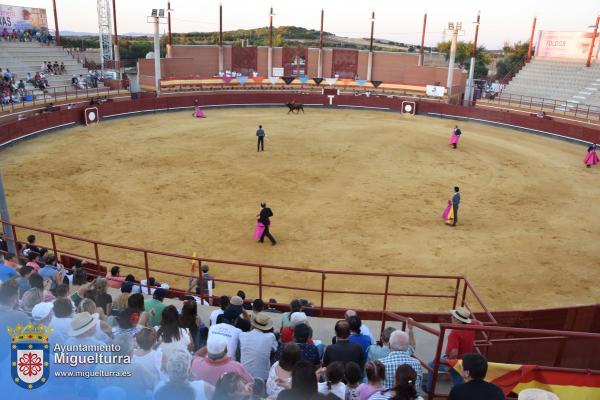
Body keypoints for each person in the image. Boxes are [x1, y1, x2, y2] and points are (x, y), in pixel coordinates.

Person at [424, 307, 477, 392]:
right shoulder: (472, 326)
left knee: (431, 365)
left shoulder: (454, 333)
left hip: (455, 361)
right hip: (466, 360)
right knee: (457, 377)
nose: (451, 317)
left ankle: (429, 389)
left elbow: (454, 352)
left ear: (459, 320)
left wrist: (450, 364)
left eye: (453, 316)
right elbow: (478, 323)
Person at [190, 334, 254, 386]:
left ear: (208, 348)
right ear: (226, 349)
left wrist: (211, 345)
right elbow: (251, 383)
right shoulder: (237, 367)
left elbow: (196, 355)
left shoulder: (195, 363)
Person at [239, 312, 278, 380]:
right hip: (263, 377)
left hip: (244, 376)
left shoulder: (242, 335)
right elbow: (274, 349)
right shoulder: (270, 336)